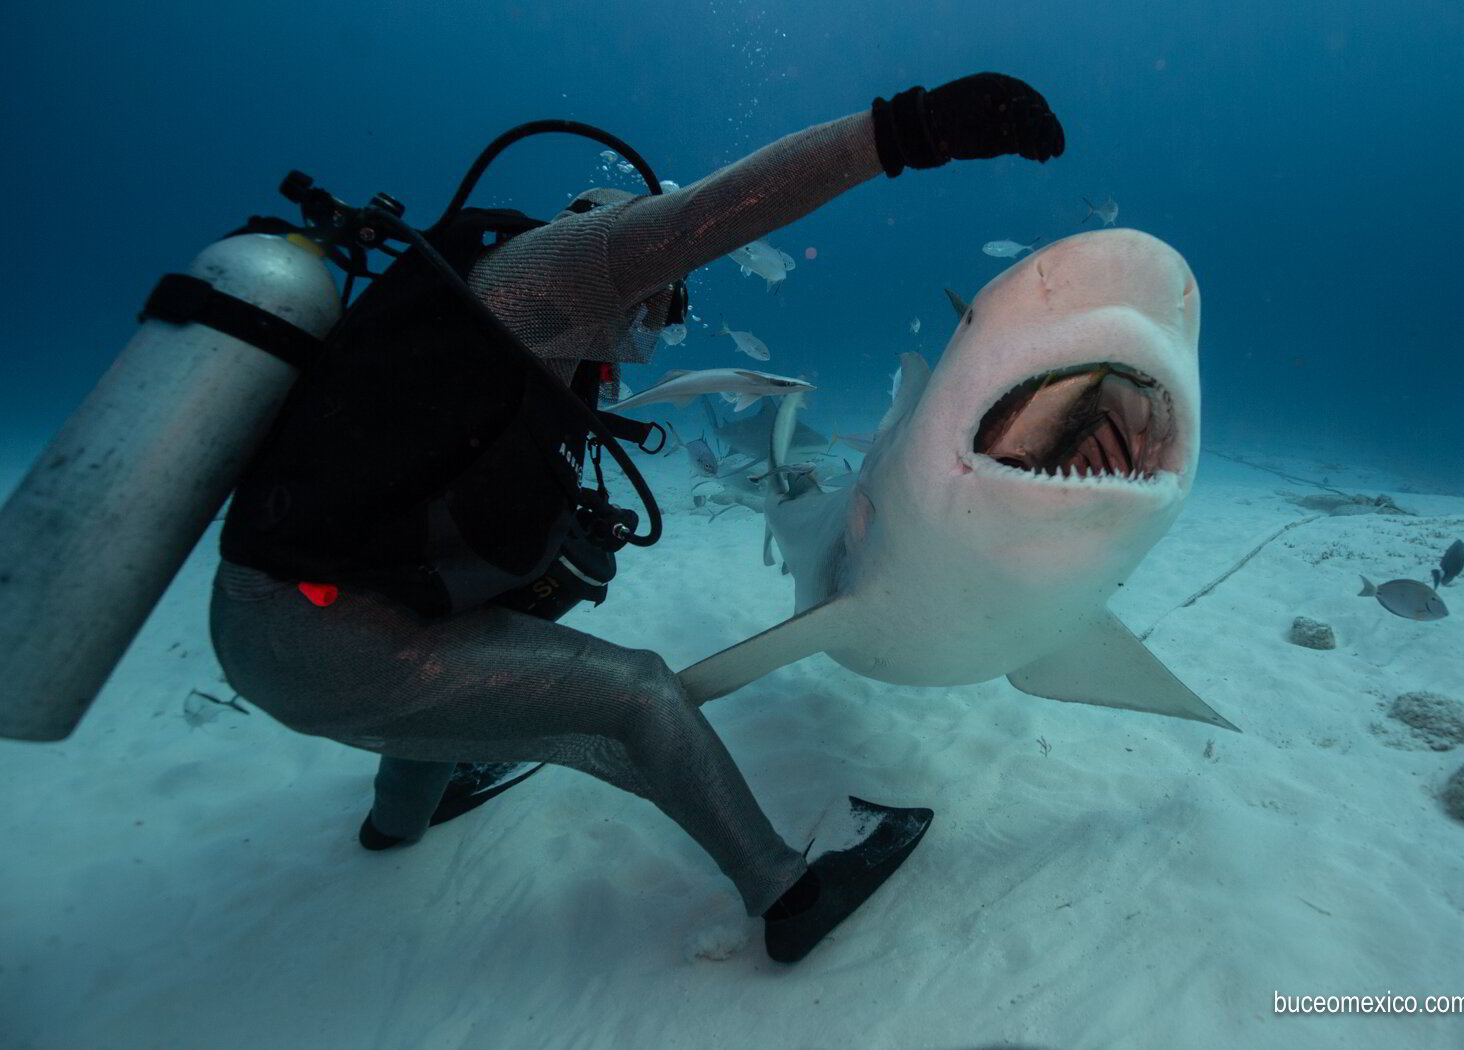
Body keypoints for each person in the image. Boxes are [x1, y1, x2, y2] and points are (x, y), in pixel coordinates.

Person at [209, 73, 1064, 963]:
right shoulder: (565, 269)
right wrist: (913, 127)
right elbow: (729, 208)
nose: (657, 328)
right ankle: (789, 894)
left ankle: (399, 822)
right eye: (667, 298)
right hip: (323, 639)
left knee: (477, 629)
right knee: (639, 695)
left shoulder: (486, 317)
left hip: (273, 623)